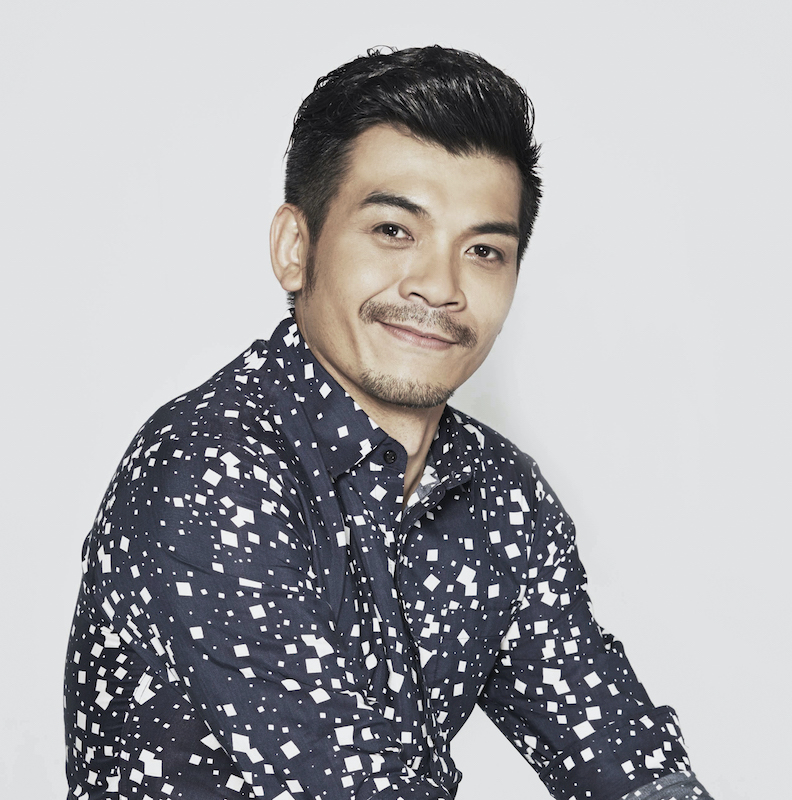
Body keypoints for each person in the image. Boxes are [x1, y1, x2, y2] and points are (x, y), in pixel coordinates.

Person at [64, 46, 712, 800]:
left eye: (484, 250)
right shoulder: (209, 468)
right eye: (394, 231)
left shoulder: (504, 496)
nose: (439, 286)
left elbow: (627, 763)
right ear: (296, 247)